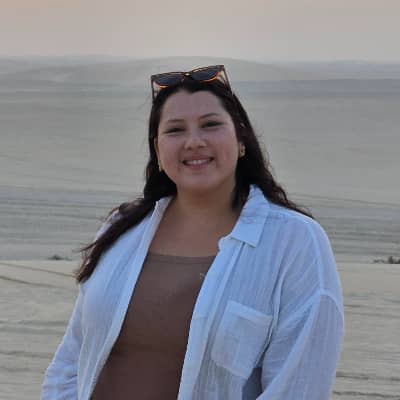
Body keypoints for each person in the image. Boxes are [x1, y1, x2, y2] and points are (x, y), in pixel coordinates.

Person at [41, 65, 344, 400]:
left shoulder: (294, 242)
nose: (194, 142)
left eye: (211, 125)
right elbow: (71, 360)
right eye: (175, 130)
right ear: (158, 150)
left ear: (241, 138)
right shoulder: (121, 228)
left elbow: (299, 387)